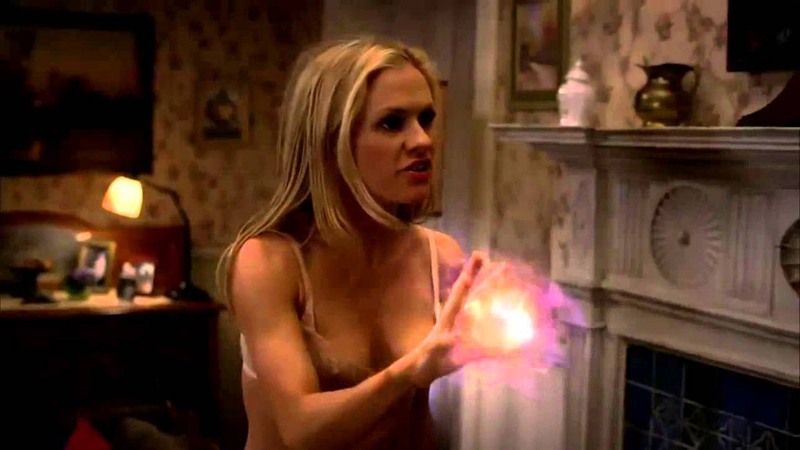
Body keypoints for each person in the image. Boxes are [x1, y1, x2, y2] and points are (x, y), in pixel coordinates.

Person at [217, 37, 486, 450]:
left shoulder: (440, 256)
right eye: (392, 123)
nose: (422, 140)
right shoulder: (269, 261)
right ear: (332, 142)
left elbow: (417, 422)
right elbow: (302, 429)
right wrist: (409, 372)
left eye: (426, 119)